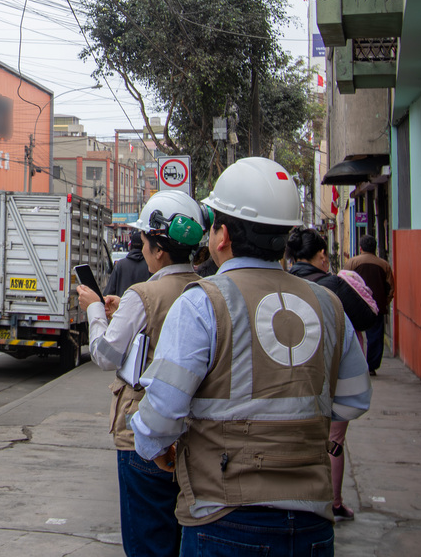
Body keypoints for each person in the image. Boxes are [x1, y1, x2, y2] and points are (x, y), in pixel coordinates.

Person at [130, 157, 372, 557]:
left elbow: (160, 415)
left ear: (221, 235)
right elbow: (354, 400)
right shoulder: (329, 304)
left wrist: (151, 444)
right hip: (312, 520)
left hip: (224, 516)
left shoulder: (203, 303)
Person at [79, 190, 207, 557]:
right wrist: (125, 309)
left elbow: (105, 355)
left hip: (144, 432)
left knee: (147, 542)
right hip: (196, 433)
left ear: (159, 250)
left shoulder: (144, 293)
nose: (143, 247)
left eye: (145, 240)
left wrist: (94, 310)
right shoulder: (206, 290)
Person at [286, 226, 378, 522]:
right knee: (334, 441)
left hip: (291, 375)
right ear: (322, 255)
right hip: (332, 376)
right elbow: (367, 318)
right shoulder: (333, 286)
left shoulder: (282, 284)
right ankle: (333, 502)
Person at [347, 235, 393, 375]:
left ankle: (355, 365)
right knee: (375, 336)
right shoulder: (384, 264)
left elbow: (344, 282)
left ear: (361, 248)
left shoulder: (352, 262)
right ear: (375, 248)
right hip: (376, 306)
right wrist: (385, 301)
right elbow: (390, 288)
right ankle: (372, 366)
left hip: (355, 305)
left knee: (353, 335)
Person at [105, 228, 152, 297]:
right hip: (144, 303)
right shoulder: (150, 266)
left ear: (130, 246)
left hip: (121, 302)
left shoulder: (120, 265)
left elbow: (108, 293)